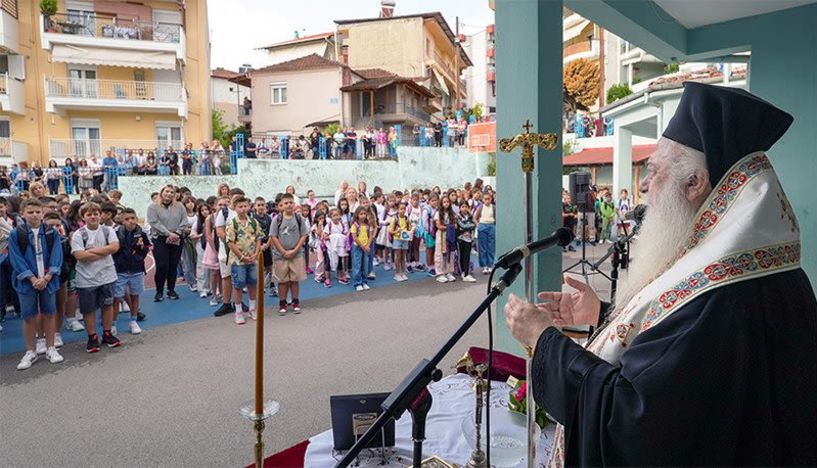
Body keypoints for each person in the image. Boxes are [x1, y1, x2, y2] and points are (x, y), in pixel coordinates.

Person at [503, 82, 817, 466]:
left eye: (653, 171)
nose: (646, 185)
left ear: (695, 184)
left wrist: (545, 341)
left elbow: (634, 418)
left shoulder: (721, 291)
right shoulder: (749, 267)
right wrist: (601, 315)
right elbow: (678, 356)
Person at [11, 199, 64, 370]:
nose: (34, 215)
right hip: (27, 282)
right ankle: (30, 351)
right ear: (23, 214)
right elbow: (16, 258)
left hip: (48, 280)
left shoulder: (51, 232)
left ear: (42, 213)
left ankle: (51, 347)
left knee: (49, 313)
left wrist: (48, 276)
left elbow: (57, 254)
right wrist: (32, 279)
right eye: (30, 212)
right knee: (28, 316)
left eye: (37, 212)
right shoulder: (16, 234)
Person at [71, 202, 121, 353]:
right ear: (83, 217)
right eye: (89, 214)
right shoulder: (79, 234)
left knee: (107, 305)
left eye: (95, 214)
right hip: (86, 279)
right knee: (88, 309)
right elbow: (80, 255)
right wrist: (104, 252)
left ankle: (107, 333)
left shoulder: (107, 231)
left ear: (100, 215)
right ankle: (92, 337)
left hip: (107, 276)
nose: (93, 217)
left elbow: (114, 247)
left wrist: (91, 251)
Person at [146, 185, 189, 302]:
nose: (169, 194)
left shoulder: (179, 206)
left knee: (173, 265)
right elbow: (154, 222)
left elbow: (184, 220)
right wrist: (168, 233)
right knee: (162, 265)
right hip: (160, 238)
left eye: (171, 192)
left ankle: (171, 289)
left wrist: (177, 233)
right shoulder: (153, 207)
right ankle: (159, 291)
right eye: (167, 191)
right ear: (161, 192)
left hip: (176, 238)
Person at [268, 193, 309, 315]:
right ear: (282, 205)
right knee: (282, 281)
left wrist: (295, 250)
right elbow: (273, 236)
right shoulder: (277, 219)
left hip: (296, 254)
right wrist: (283, 251)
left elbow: (304, 235)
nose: (289, 205)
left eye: (291, 202)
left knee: (294, 280)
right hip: (281, 255)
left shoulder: (298, 218)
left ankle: (296, 301)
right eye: (286, 203)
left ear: (294, 204)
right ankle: (282, 302)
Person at [112, 208, 150, 335]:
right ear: (122, 220)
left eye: (133, 218)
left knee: (135, 295)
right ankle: (113, 323)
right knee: (116, 298)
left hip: (136, 269)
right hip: (120, 270)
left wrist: (141, 248)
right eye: (127, 219)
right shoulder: (115, 233)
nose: (130, 221)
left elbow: (147, 247)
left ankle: (133, 321)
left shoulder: (141, 233)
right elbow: (112, 250)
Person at [225, 196, 261, 325]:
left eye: (245, 206)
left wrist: (256, 253)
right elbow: (230, 243)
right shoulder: (232, 223)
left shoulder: (253, 222)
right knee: (238, 285)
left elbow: (258, 238)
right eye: (240, 206)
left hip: (252, 259)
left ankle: (252, 308)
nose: (243, 209)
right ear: (234, 208)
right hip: (238, 261)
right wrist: (242, 257)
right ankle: (238, 311)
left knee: (253, 283)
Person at [350, 206, 373, 292]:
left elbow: (370, 236)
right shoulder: (355, 225)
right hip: (357, 247)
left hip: (366, 247)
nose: (363, 215)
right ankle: (357, 283)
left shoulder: (368, 225)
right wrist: (363, 246)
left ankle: (364, 281)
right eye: (361, 214)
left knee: (365, 265)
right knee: (357, 265)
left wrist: (367, 245)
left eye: (364, 214)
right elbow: (355, 238)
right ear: (357, 215)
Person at [389, 202, 411, 282]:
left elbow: (409, 228)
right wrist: (397, 231)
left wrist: (411, 230)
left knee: (403, 256)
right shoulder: (394, 219)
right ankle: (397, 273)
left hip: (405, 239)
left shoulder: (406, 218)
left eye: (404, 209)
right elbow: (390, 231)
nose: (403, 210)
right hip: (397, 239)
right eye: (401, 209)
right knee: (398, 256)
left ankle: (403, 272)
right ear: (398, 210)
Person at [455, 200, 477, 282]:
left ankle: (466, 273)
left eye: (466, 207)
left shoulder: (470, 216)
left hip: (469, 239)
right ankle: (463, 272)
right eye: (462, 207)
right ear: (460, 208)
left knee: (467, 256)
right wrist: (468, 225)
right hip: (461, 239)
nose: (464, 209)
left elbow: (474, 225)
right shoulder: (457, 217)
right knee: (461, 256)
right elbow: (462, 226)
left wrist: (469, 225)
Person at [475, 191, 496, 274]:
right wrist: (478, 225)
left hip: (491, 226)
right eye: (485, 199)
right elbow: (476, 218)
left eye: (488, 199)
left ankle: (490, 264)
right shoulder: (480, 207)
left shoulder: (493, 207)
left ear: (491, 199)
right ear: (483, 200)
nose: (487, 201)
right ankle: (484, 266)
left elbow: (496, 217)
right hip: (483, 226)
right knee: (482, 247)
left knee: (491, 246)